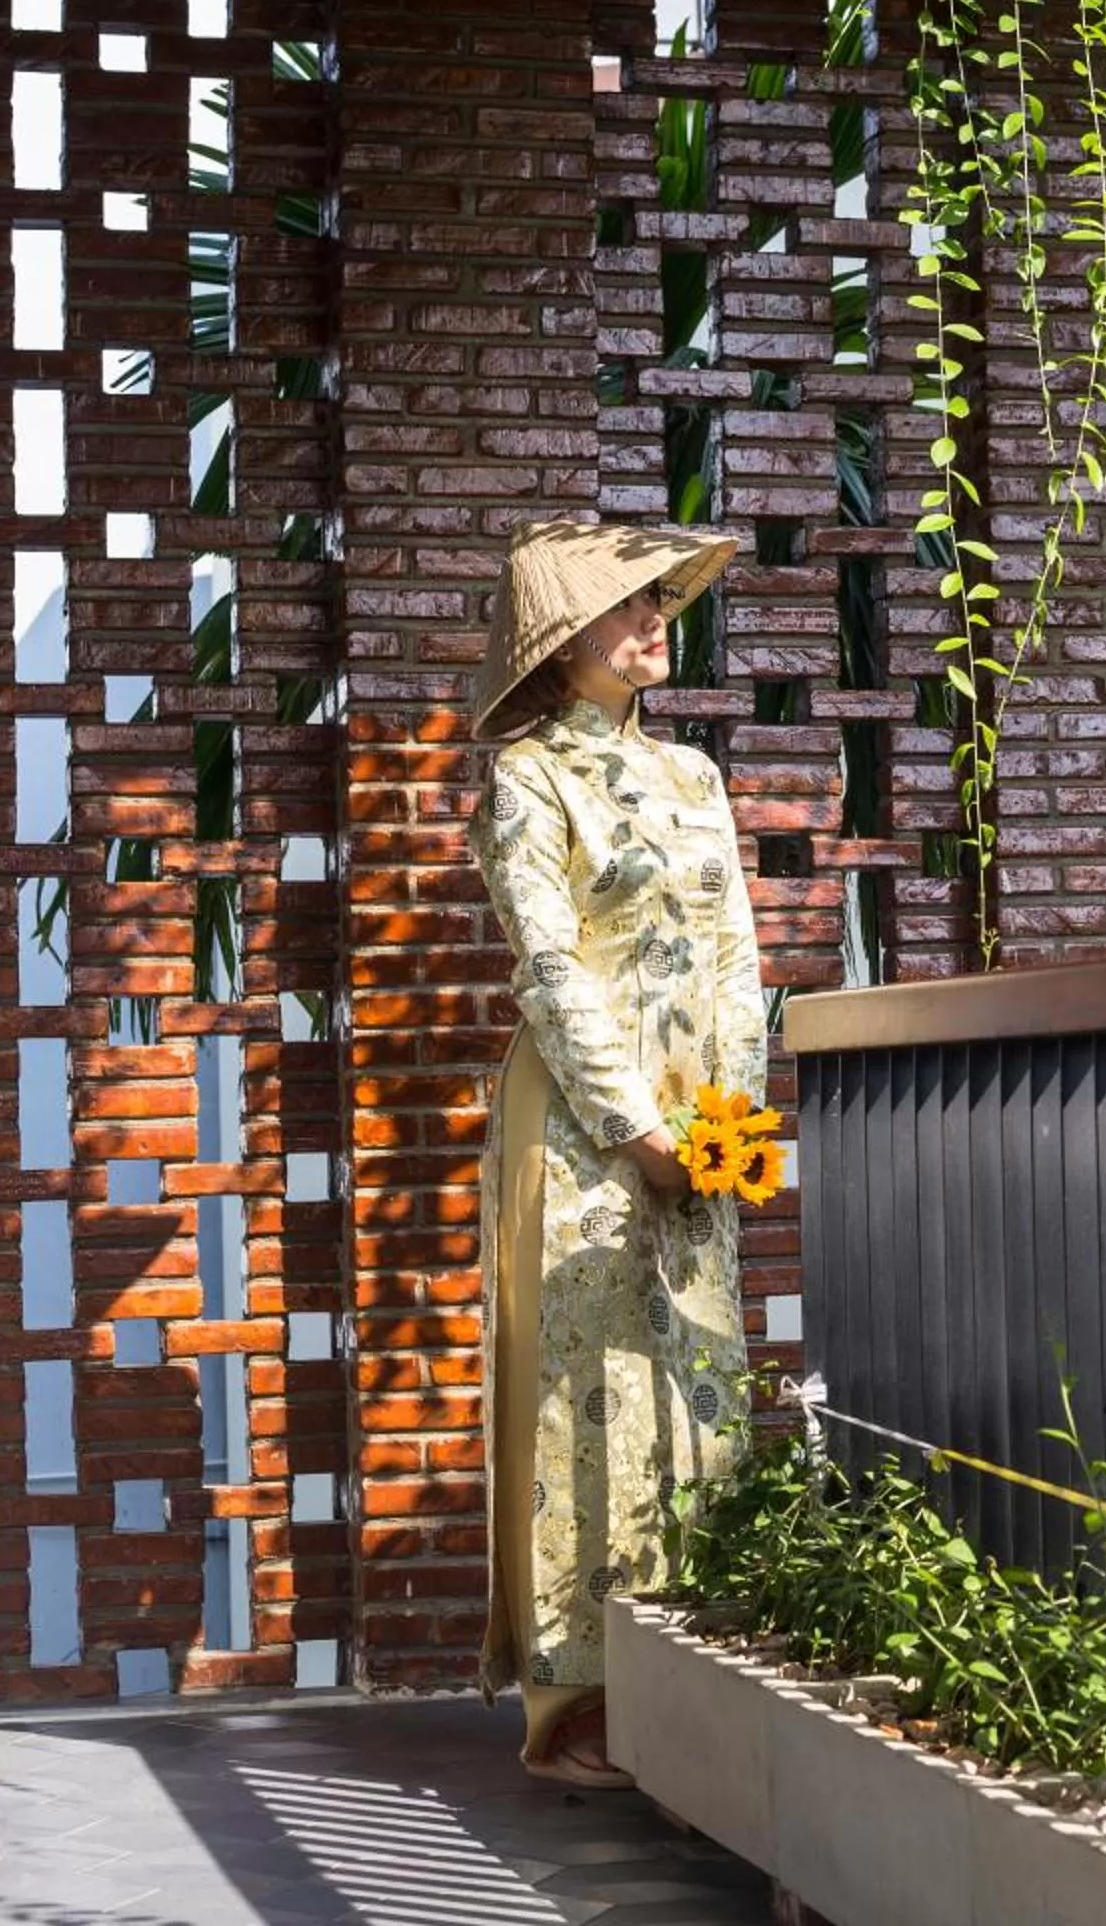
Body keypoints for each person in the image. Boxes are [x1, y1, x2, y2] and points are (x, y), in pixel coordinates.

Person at [464, 520, 764, 1789]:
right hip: (587, 1132)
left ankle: (703, 1683)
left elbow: (742, 959)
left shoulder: (696, 776)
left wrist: (728, 1121)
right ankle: (577, 1708)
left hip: (701, 1129)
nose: (658, 624)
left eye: (661, 604)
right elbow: (550, 972)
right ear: (559, 642)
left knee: (698, 1389)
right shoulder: (530, 779)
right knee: (587, 1394)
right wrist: (637, 1126)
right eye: (628, 608)